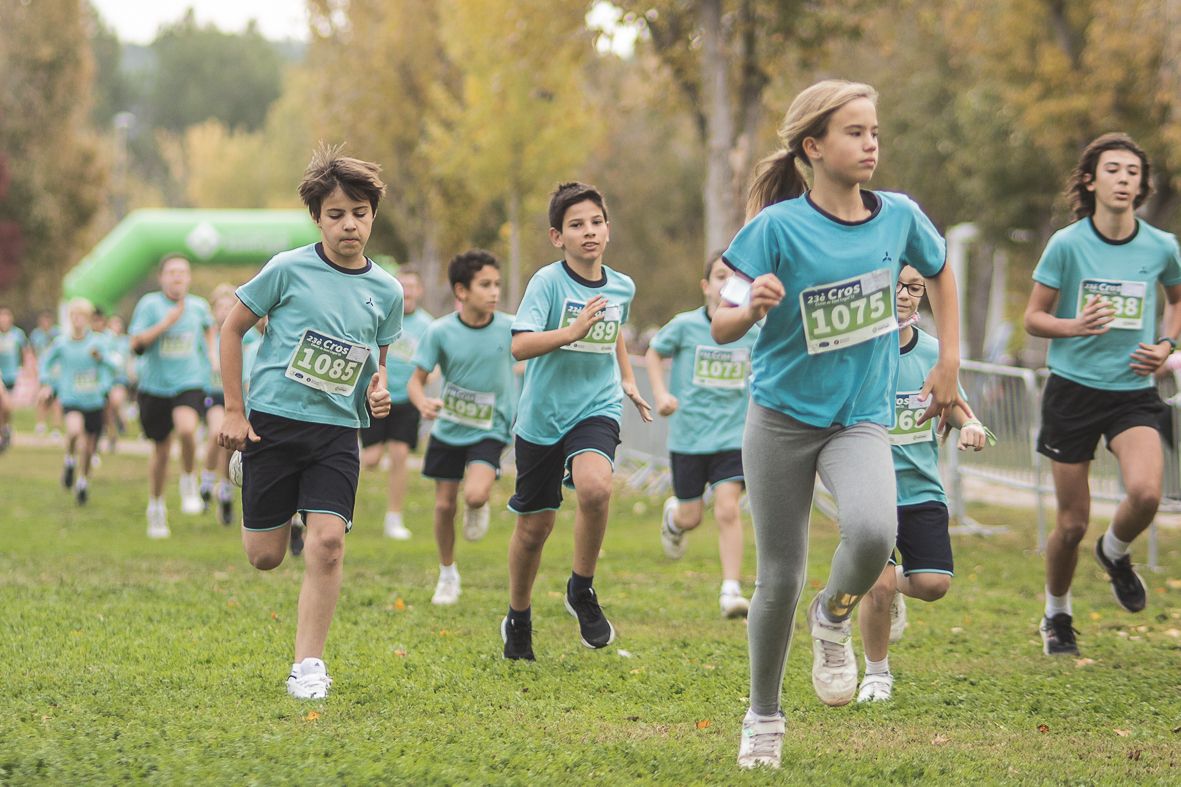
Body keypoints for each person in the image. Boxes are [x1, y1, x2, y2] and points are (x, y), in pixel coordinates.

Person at [711, 80, 961, 769]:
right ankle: (763, 717)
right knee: (778, 576)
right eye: (854, 132)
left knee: (875, 531)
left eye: (874, 130)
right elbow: (721, 319)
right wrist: (750, 307)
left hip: (859, 417)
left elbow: (941, 271)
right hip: (780, 419)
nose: (870, 143)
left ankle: (833, 614)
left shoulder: (899, 216)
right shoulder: (772, 229)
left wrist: (949, 362)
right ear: (813, 147)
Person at [218, 145, 401, 700]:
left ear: (373, 216)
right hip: (273, 424)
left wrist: (379, 390)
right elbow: (231, 329)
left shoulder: (387, 290)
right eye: (336, 214)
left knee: (327, 544)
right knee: (265, 557)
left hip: (336, 432)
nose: (350, 225)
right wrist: (234, 409)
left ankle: (308, 665)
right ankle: (252, 472)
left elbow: (378, 363)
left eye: (360, 213)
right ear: (318, 219)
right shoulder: (287, 269)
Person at [1023, 132, 1181, 657]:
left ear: (1142, 185)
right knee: (1071, 525)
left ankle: (1114, 552)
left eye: (1133, 172)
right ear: (1090, 181)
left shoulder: (1161, 246)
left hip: (1132, 391)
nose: (1123, 179)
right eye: (1113, 170)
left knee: (1147, 493)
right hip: (1072, 392)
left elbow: (1177, 301)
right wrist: (1073, 325)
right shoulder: (1067, 244)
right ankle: (1057, 614)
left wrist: (1167, 345)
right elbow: (1033, 318)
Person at [501, 181, 652, 661]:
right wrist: (569, 331)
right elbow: (519, 345)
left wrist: (628, 378)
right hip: (543, 416)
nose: (588, 231)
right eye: (576, 225)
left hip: (596, 405)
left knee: (596, 488)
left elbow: (615, 330)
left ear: (608, 229)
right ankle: (518, 617)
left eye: (596, 222)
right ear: (557, 237)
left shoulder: (622, 285)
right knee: (534, 529)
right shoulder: (547, 283)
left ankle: (581, 588)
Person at [855, 265, 990, 702]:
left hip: (921, 488)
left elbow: (956, 405)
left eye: (914, 287)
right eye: (895, 285)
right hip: (869, 487)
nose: (904, 294)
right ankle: (877, 675)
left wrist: (972, 426)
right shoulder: (857, 351)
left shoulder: (934, 351)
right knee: (877, 586)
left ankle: (893, 588)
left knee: (933, 585)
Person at [645, 252, 759, 618]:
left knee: (728, 508)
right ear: (706, 286)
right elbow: (653, 353)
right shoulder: (684, 326)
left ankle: (731, 589)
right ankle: (674, 519)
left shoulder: (753, 331)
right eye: (721, 276)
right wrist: (661, 394)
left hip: (732, 436)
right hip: (689, 436)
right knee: (691, 516)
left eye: (736, 278)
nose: (728, 284)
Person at [407, 249, 516, 606]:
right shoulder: (440, 331)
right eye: (485, 285)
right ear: (461, 290)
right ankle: (447, 573)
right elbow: (416, 381)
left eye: (497, 284)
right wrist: (423, 403)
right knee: (443, 507)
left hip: (491, 426)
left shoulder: (511, 327)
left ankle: (477, 504)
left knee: (475, 494)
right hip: (449, 427)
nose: (494, 292)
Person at [129, 255, 217, 537]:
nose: (177, 277)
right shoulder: (150, 305)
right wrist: (166, 323)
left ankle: (189, 480)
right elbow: (136, 344)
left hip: (189, 381)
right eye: (171, 272)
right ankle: (156, 507)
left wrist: (212, 355)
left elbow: (209, 329)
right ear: (161, 278)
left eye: (182, 272)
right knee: (162, 451)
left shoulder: (199, 306)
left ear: (189, 278)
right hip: (154, 387)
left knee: (187, 429)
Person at [360, 264, 431, 540]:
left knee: (400, 456)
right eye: (403, 286)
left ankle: (394, 518)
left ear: (420, 290)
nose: (407, 291)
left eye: (412, 286)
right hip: (377, 394)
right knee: (372, 458)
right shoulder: (383, 316)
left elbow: (434, 364)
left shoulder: (427, 325)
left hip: (406, 399)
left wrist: (424, 383)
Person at [37, 299, 120, 504]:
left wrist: (101, 363)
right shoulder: (62, 343)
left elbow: (112, 367)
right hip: (71, 396)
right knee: (74, 431)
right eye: (74, 316)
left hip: (94, 400)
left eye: (82, 316)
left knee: (89, 448)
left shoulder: (98, 342)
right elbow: (45, 363)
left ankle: (82, 482)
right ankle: (69, 460)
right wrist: (46, 383)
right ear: (69, 318)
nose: (78, 320)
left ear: (88, 319)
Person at [200, 284, 248, 526]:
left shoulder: (245, 335)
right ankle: (207, 478)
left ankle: (226, 489)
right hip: (213, 394)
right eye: (220, 307)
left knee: (231, 444)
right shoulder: (207, 336)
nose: (225, 311)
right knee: (216, 433)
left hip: (237, 397)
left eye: (230, 306)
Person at [0, 306, 31, 450]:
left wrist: (25, 368)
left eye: (6, 316)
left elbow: (25, 351)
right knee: (3, 403)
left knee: (7, 407)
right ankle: (3, 431)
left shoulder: (17, 334)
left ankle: (5, 428)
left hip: (11, 375)